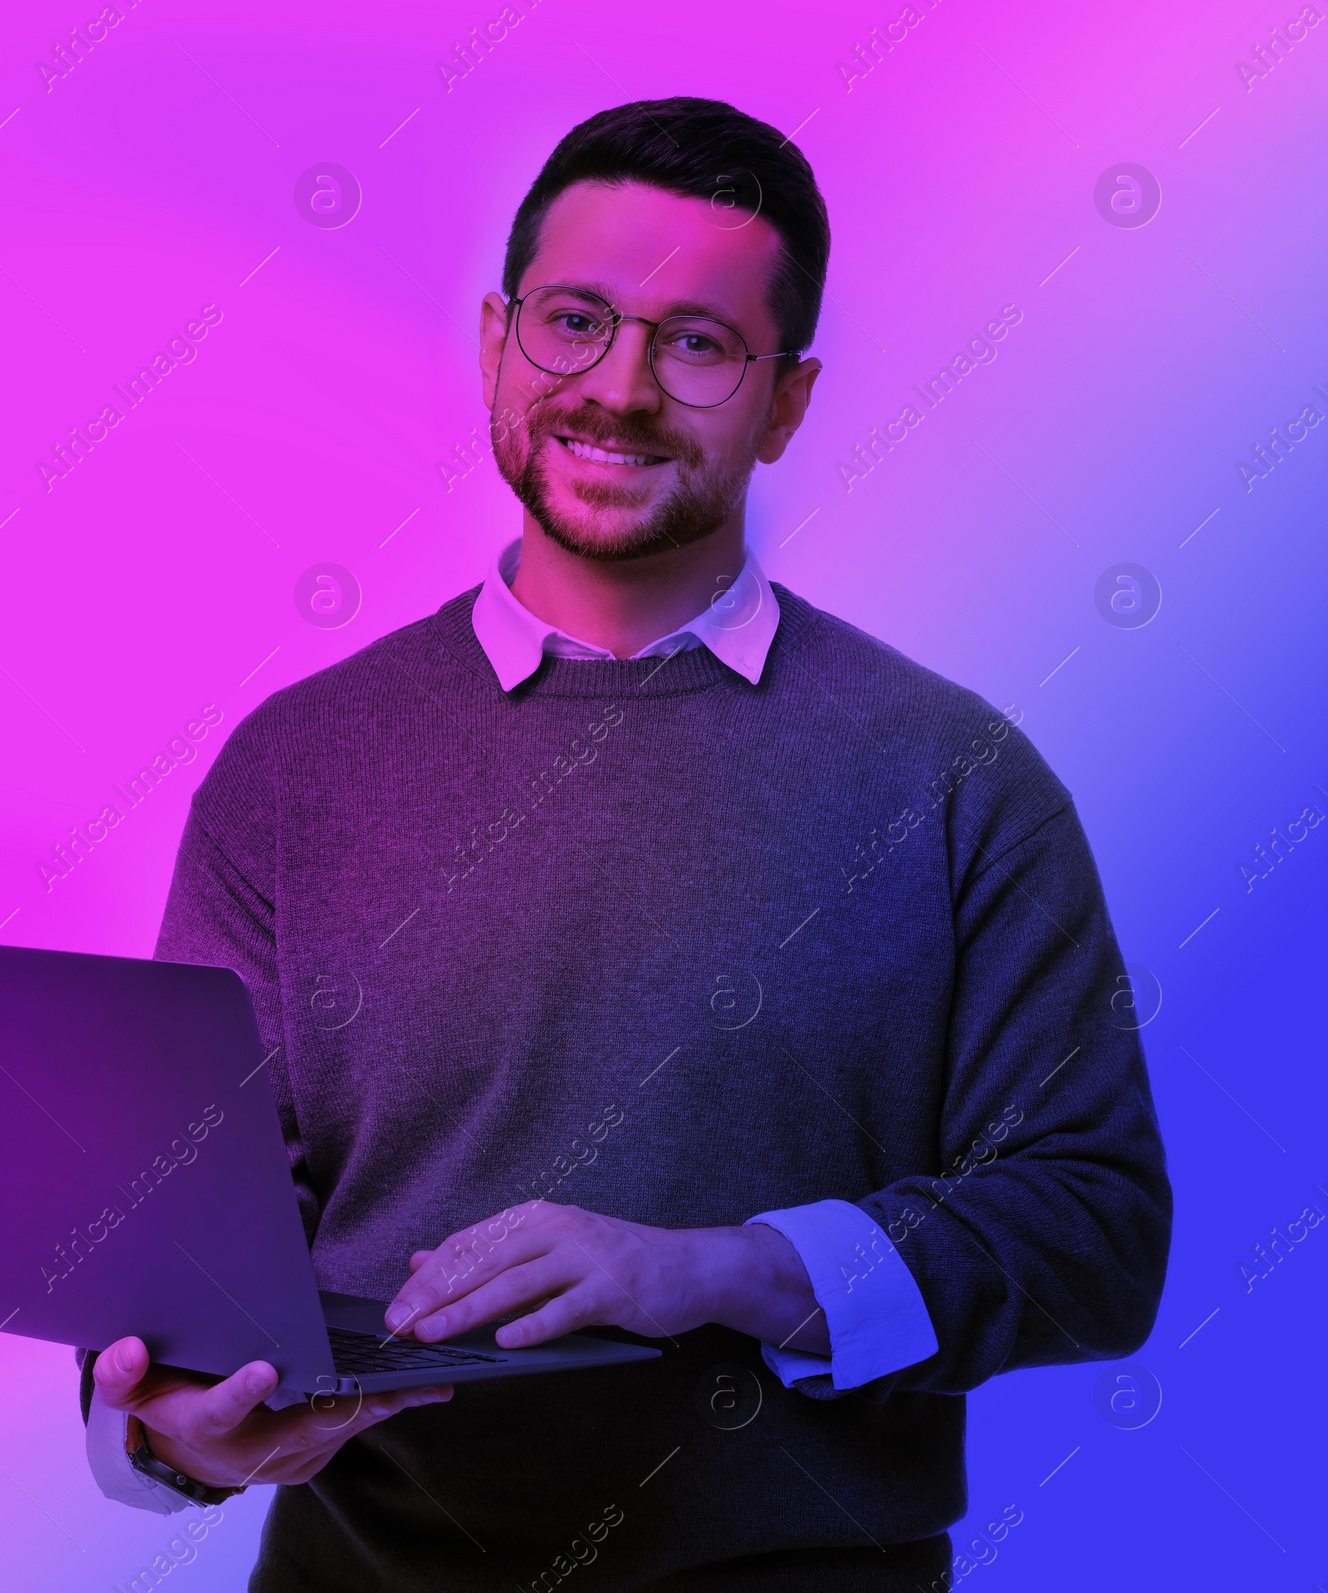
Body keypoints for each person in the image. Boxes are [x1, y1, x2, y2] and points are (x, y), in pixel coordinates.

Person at [76, 96, 1172, 1591]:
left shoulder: (958, 778)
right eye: (575, 321)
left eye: (698, 343)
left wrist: (713, 1268)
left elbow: (1093, 1232)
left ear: (785, 401)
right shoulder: (295, 763)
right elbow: (193, 1240)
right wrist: (170, 1436)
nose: (621, 387)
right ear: (494, 342)